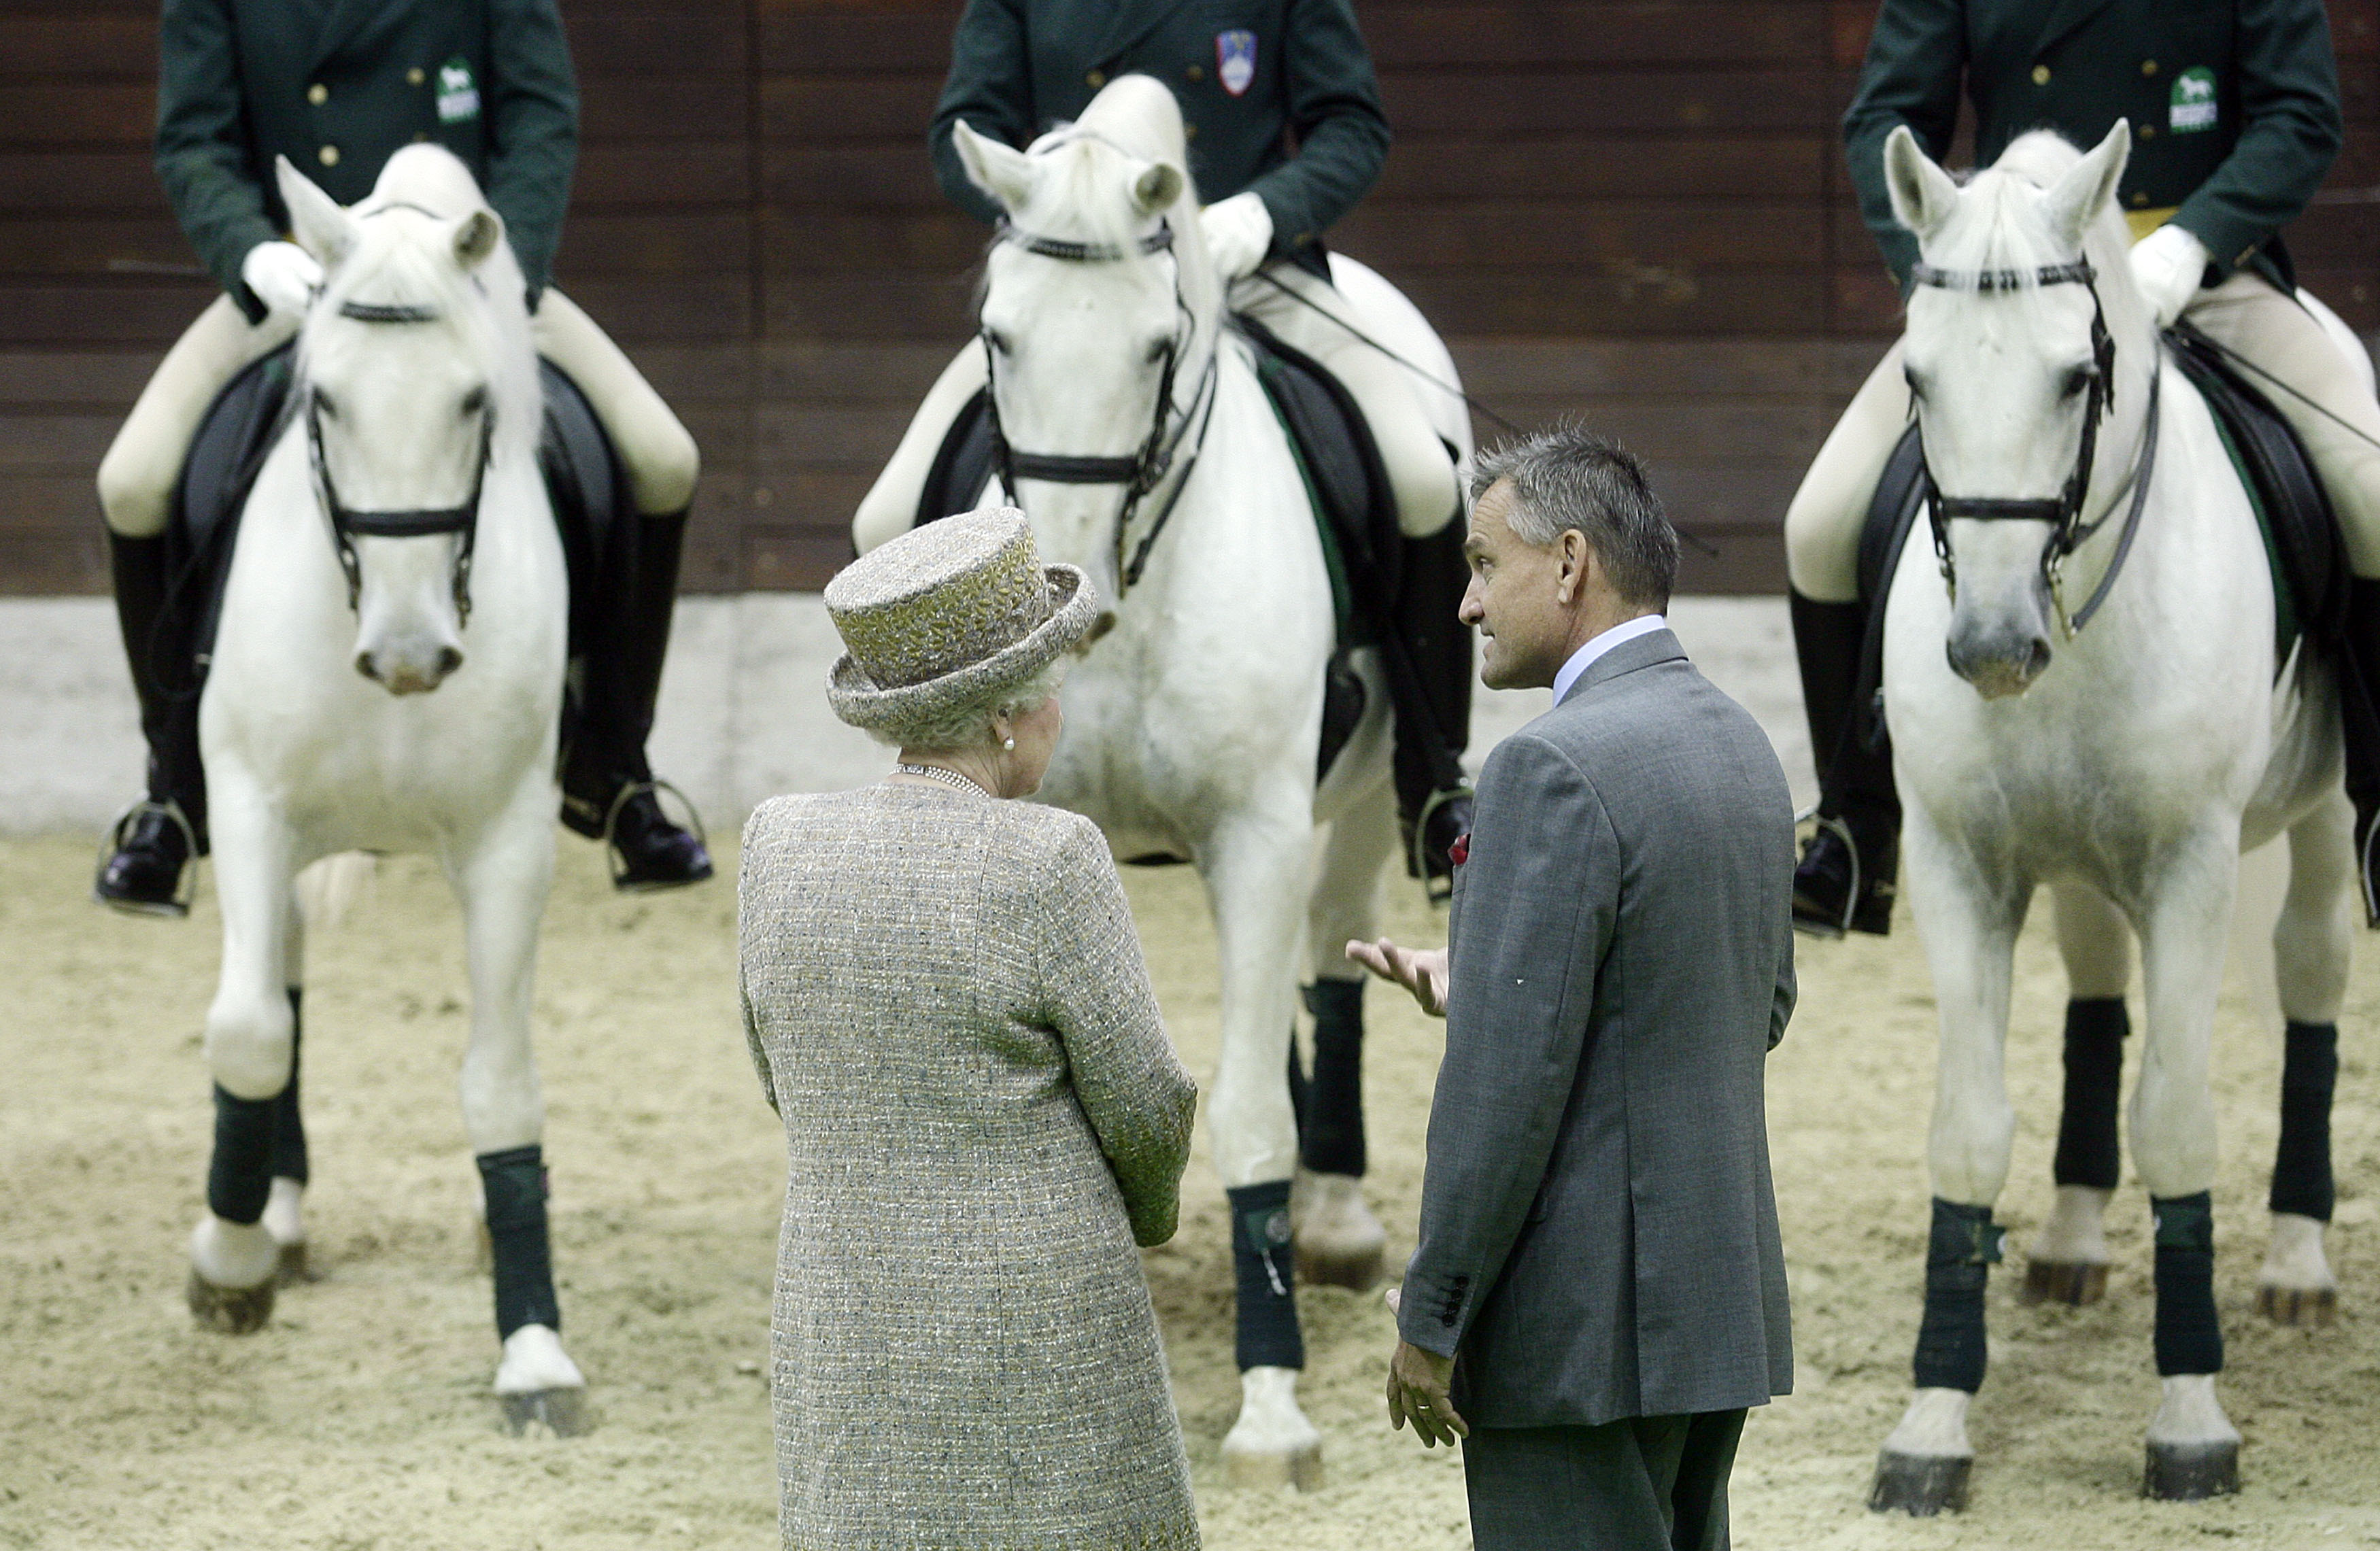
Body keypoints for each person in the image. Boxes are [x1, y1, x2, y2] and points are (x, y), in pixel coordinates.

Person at [94, 0, 712, 913]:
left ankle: (616, 770)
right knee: (134, 482)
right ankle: (175, 793)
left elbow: (541, 117)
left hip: (466, 280)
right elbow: (194, 143)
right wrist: (256, 254)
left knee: (664, 460)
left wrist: (504, 271)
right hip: (310, 282)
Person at [854, 0, 1476, 878]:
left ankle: (1433, 774)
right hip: (1085, 277)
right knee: (886, 516)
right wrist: (1054, 186)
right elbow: (967, 125)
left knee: (1422, 479)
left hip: (1249, 273)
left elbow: (1352, 125)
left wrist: (1263, 213)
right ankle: (928, 783)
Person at [1790, 0, 2366, 935]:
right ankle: (1856, 828)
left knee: (2374, 493)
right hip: (2016, 290)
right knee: (1816, 526)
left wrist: (2191, 242)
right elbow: (1884, 120)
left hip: (2205, 277)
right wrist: (1946, 257)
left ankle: (2375, 803)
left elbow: (2300, 117)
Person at [1352, 428, 1797, 1551]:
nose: (1463, 604)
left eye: (1480, 565)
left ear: (1566, 563)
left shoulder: (1544, 765)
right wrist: (1501, 983)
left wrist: (1433, 1312)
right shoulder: (1744, 744)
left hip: (1577, 1333)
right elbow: (1759, 1004)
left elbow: (1502, 1094)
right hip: (1711, 1311)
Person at [738, 505, 1200, 1550]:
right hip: (1037, 1317)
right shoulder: (1052, 860)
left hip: (840, 1309)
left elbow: (779, 1075)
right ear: (1010, 713)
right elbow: (1148, 1106)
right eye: (1057, 691)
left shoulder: (776, 843)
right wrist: (1147, 1211)